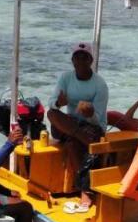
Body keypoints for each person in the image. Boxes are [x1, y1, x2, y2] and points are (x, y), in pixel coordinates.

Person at [46, 41, 109, 210]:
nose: (80, 61)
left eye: (84, 58)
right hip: (71, 125)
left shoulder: (100, 85)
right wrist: (58, 103)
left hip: (91, 127)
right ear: (73, 61)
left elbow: (100, 120)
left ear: (91, 61)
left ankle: (85, 192)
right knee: (51, 114)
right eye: (77, 57)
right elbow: (51, 104)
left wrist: (90, 114)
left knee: (72, 143)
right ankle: (81, 137)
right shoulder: (66, 77)